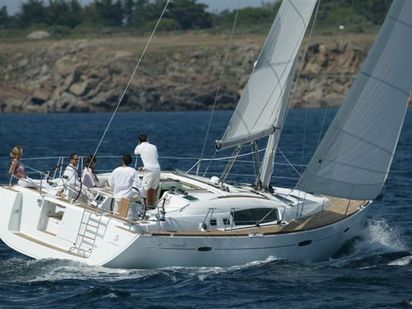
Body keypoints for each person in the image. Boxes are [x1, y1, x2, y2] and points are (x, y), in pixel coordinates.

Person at [134, 134, 160, 208]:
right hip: (157, 168)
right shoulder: (154, 146)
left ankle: (146, 207)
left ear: (139, 140)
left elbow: (135, 152)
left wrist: (138, 144)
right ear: (147, 139)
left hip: (149, 170)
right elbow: (156, 157)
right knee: (154, 188)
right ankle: (153, 205)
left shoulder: (139, 147)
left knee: (145, 189)